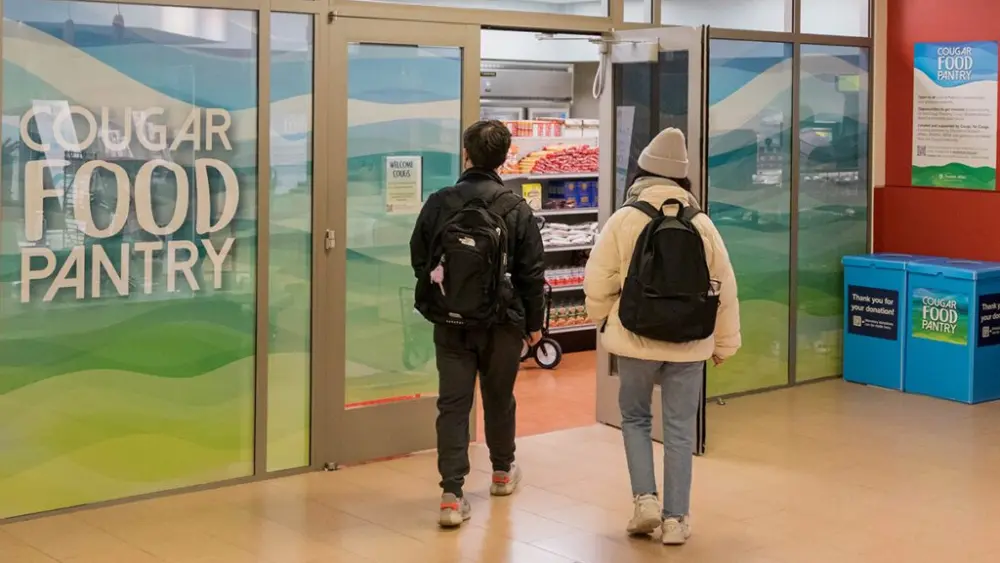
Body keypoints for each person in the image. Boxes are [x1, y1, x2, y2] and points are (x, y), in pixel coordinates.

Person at [583, 127, 741, 545]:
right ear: (682, 178)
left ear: (642, 172)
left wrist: (603, 319)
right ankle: (675, 520)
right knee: (680, 428)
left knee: (635, 418)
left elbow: (597, 280)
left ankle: (645, 501)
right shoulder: (702, 223)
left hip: (636, 337)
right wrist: (725, 343)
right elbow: (724, 286)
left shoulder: (624, 219)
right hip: (690, 342)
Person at [410, 120, 546, 528]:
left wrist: (447, 290)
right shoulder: (515, 208)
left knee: (453, 404)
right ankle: (502, 473)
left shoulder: (440, 202)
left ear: (466, 154)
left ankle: (452, 496)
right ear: (503, 158)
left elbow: (419, 256)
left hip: (451, 321)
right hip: (502, 322)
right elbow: (531, 273)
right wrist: (534, 324)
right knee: (499, 396)